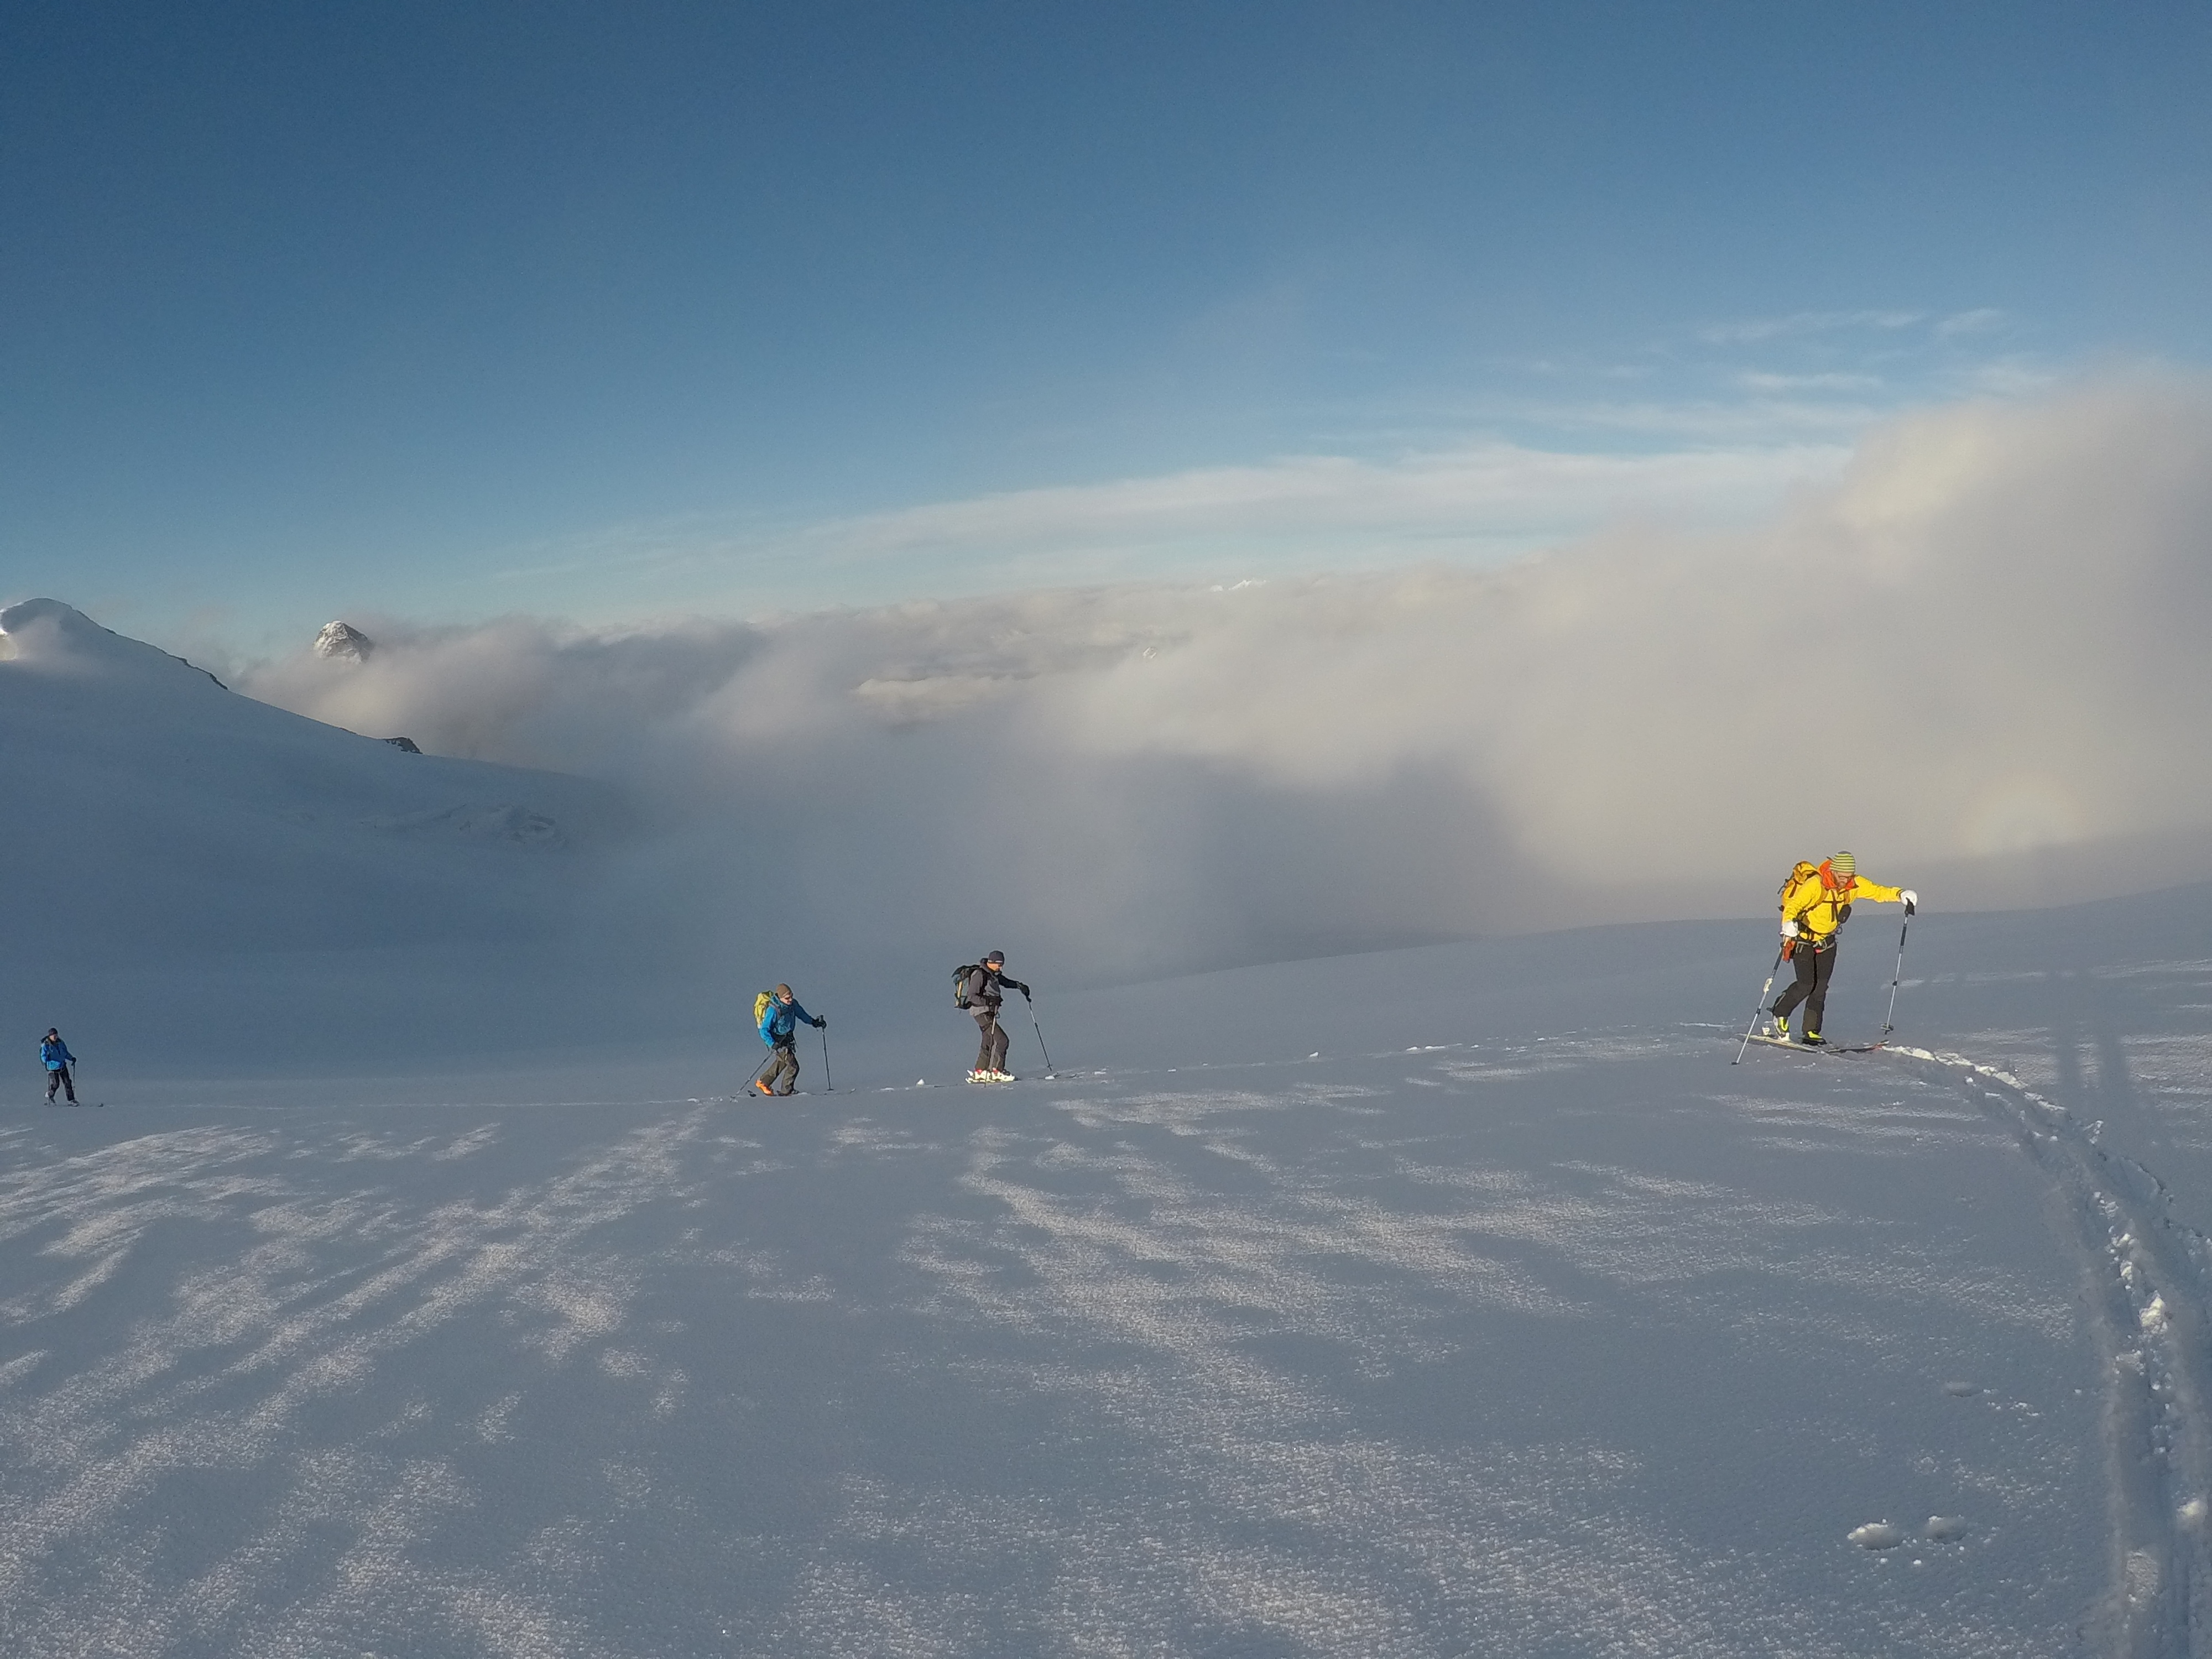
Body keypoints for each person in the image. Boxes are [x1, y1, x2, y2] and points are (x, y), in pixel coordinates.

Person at [1770, 853, 1917, 1045]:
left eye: (1849, 875)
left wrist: (1900, 894)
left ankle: (1811, 1032)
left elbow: (1878, 892)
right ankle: (1780, 1013)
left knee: (1820, 988)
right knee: (1806, 984)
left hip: (1828, 942)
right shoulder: (1816, 884)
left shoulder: (1853, 885)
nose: (1845, 880)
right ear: (1834, 870)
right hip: (1803, 940)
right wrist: (1788, 923)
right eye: (1842, 875)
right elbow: (1794, 905)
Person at [961, 951, 1030, 1082]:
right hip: (981, 1012)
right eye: (999, 965)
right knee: (1002, 1040)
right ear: (991, 963)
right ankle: (997, 1071)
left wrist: (1019, 986)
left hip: (989, 1012)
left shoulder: (994, 975)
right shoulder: (980, 974)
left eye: (1002, 965)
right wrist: (990, 1002)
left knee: (989, 1040)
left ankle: (981, 1071)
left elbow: (1006, 982)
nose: (1001, 968)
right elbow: (972, 996)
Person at [754, 985, 824, 1096]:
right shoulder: (773, 1010)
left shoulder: (793, 1005)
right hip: (778, 1041)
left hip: (788, 1039)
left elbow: (802, 1014)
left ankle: (763, 1082)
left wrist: (814, 1023)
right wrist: (772, 1044)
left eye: (791, 996)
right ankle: (787, 1091)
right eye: (787, 998)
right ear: (780, 998)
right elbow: (764, 1029)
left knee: (782, 1062)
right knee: (793, 1066)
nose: (790, 999)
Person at [41, 1028, 78, 1105]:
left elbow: (65, 1053)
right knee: (56, 1084)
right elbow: (43, 1056)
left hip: (62, 1066)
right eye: (53, 1035)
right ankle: (50, 1096)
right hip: (52, 1068)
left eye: (56, 1035)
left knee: (68, 1083)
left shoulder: (61, 1043)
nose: (55, 1037)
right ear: (50, 1036)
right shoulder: (46, 1045)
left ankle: (71, 1100)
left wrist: (71, 1058)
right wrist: (46, 1060)